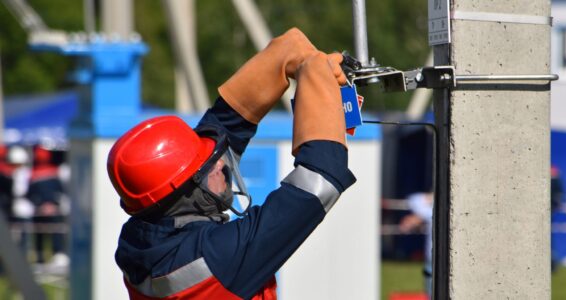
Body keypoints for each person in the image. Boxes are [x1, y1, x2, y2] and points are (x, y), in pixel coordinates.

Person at [108, 28, 355, 299]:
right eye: (207, 167)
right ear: (186, 195)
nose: (220, 164)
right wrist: (319, 82)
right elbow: (320, 181)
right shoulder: (218, 258)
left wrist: (286, 54)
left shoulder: (141, 237)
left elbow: (221, 129)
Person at [27, 145, 69, 268]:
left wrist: (53, 204)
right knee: (39, 234)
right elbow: (29, 194)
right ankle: (40, 258)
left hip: (54, 210)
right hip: (39, 210)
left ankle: (58, 254)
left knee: (56, 232)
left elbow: (61, 191)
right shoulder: (33, 174)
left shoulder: (55, 172)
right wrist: (40, 205)